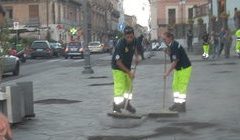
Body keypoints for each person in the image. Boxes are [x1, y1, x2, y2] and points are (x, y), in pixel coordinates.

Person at [111, 26, 140, 114]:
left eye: (131, 37)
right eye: (127, 37)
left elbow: (135, 48)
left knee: (129, 87)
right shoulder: (120, 44)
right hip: (118, 68)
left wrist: (136, 56)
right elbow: (118, 63)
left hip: (127, 67)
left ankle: (126, 104)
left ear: (133, 35)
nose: (129, 39)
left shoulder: (134, 41)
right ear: (124, 36)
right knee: (120, 87)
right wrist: (129, 72)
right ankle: (116, 106)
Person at [162, 32, 192, 112]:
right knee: (175, 85)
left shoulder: (175, 46)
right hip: (178, 69)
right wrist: (167, 52)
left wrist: (167, 73)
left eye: (164, 39)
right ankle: (177, 103)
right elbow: (173, 56)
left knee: (181, 88)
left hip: (184, 68)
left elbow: (175, 62)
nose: (164, 41)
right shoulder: (171, 45)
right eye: (163, 39)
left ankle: (182, 106)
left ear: (170, 38)